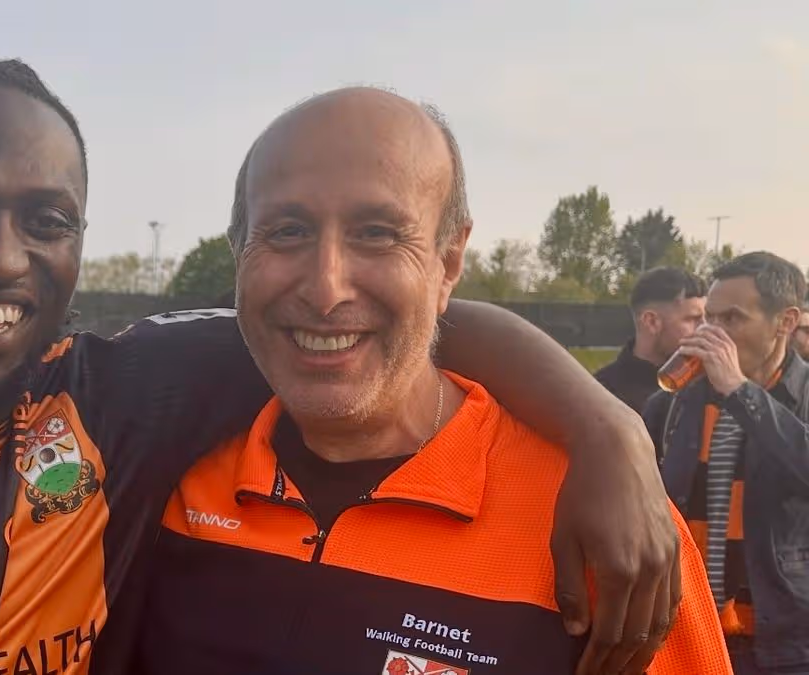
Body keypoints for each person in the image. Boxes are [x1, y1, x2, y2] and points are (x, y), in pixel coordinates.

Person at [0, 55, 680, 675]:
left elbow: (390, 321)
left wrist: (607, 429)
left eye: (47, 220)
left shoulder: (133, 396)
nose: (1, 257)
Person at [139, 88, 730, 675]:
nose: (325, 290)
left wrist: (610, 431)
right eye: (288, 231)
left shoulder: (601, 525)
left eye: (377, 233)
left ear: (448, 263)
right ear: (239, 252)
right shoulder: (161, 462)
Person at [642, 251, 809, 674]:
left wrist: (740, 390)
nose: (713, 333)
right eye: (708, 318)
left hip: (782, 644)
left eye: (732, 319)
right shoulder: (674, 403)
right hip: (686, 632)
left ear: (786, 322)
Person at [595, 267, 706, 415]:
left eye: (707, 318)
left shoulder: (710, 384)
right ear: (651, 322)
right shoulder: (601, 395)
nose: (704, 328)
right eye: (692, 319)